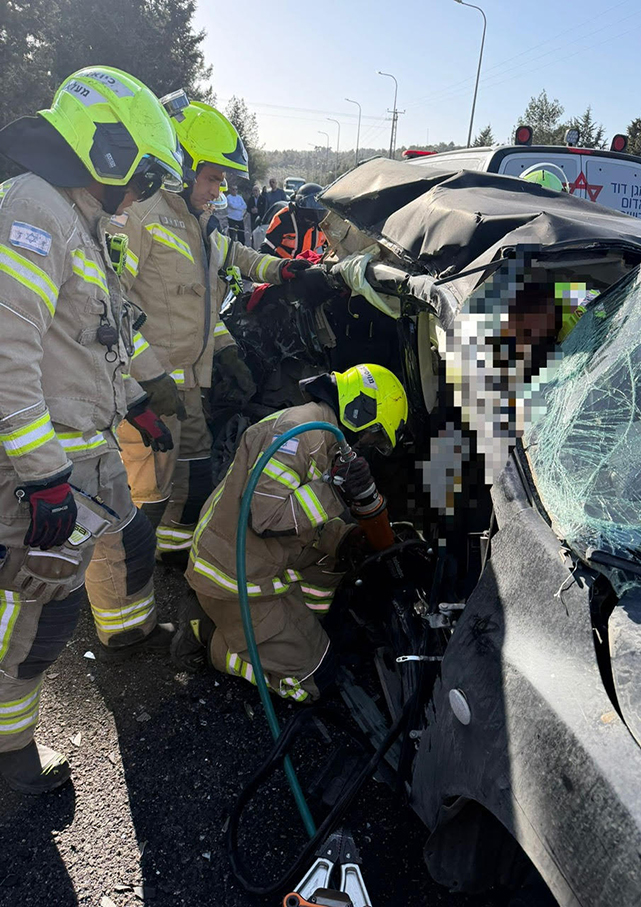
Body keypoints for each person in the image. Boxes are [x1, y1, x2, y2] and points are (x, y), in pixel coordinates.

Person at [0, 66, 184, 794]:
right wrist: (41, 473)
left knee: (94, 571)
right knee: (32, 619)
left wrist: (135, 400)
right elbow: (7, 352)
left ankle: (121, 641)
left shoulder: (80, 219)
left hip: (84, 454)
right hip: (41, 467)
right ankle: (8, 761)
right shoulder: (35, 209)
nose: (141, 194)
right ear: (104, 149)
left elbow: (94, 340)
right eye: (141, 177)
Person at [114, 95, 318, 565]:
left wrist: (284, 271)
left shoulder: (197, 223)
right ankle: (125, 599)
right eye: (212, 177)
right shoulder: (140, 218)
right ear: (180, 165)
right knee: (148, 495)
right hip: (150, 388)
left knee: (194, 480)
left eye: (222, 180)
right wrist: (141, 384)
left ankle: (171, 559)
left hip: (187, 386)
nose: (217, 188)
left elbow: (232, 265)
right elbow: (111, 310)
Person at [171, 364, 408, 702]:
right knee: (314, 681)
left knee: (338, 553)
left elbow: (302, 518)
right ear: (361, 412)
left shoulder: (324, 437)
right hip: (232, 576)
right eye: (375, 435)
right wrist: (335, 491)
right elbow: (266, 519)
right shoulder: (299, 434)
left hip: (254, 556)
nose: (369, 444)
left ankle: (302, 621)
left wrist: (345, 538)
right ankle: (208, 636)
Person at [260, 183, 327, 259]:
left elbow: (334, 248)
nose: (310, 223)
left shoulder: (325, 222)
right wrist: (280, 266)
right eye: (311, 203)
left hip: (310, 266)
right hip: (283, 264)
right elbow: (265, 249)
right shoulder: (283, 218)